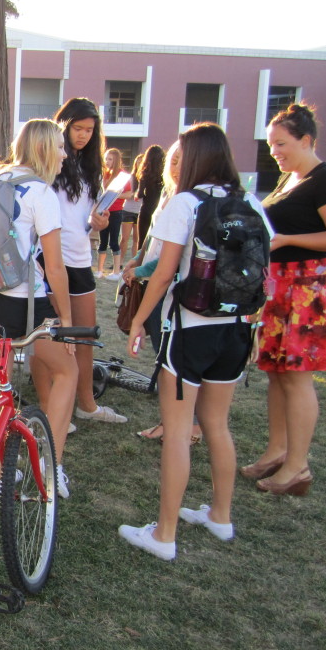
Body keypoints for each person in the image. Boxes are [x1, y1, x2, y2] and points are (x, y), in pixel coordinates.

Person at [120, 123, 271, 561]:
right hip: (236, 330)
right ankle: (220, 516)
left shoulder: (185, 203)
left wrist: (138, 321)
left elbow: (163, 272)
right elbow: (263, 271)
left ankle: (164, 534)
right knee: (218, 425)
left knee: (179, 432)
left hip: (189, 331)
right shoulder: (252, 205)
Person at [241, 103, 326, 495]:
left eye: (282, 144)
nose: (275, 152)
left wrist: (286, 240)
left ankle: (298, 467)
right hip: (279, 287)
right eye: (270, 145)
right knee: (276, 372)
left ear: (307, 140)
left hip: (307, 289)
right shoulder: (291, 180)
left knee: (298, 377)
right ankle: (278, 451)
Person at [0, 119, 76, 498]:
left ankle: (0, 475)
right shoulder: (40, 193)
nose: (65, 154)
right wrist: (65, 319)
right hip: (23, 302)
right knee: (68, 372)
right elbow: (56, 266)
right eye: (60, 147)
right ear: (45, 149)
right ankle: (53, 463)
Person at [51, 97, 127, 426]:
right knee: (52, 335)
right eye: (77, 128)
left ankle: (86, 402)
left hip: (80, 256)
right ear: (63, 126)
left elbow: (92, 214)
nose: (83, 135)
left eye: (90, 130)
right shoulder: (50, 159)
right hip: (49, 258)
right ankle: (54, 406)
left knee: (84, 336)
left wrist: (101, 220)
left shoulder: (91, 166)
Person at [124, 141, 202, 444]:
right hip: (155, 286)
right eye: (174, 160)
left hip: (171, 291)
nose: (177, 166)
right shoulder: (171, 195)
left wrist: (141, 271)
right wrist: (137, 258)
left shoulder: (190, 201)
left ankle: (185, 425)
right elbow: (154, 238)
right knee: (163, 356)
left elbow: (174, 254)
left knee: (171, 362)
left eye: (185, 160)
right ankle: (178, 422)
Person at [96, 148, 132, 280]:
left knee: (114, 242)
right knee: (102, 241)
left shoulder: (122, 175)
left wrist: (115, 195)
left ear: (116, 160)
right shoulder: (104, 174)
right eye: (106, 158)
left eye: (110, 159)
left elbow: (129, 194)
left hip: (116, 211)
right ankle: (99, 270)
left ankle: (116, 271)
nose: (107, 161)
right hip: (103, 210)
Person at [136, 144, 166, 248]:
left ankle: (139, 263)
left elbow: (139, 194)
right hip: (160, 211)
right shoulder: (165, 175)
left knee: (142, 243)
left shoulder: (144, 173)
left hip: (146, 210)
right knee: (156, 244)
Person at [119, 152, 144, 263]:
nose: (140, 165)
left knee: (137, 239)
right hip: (128, 209)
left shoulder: (148, 178)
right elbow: (124, 193)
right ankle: (119, 262)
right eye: (138, 162)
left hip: (140, 211)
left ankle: (134, 262)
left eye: (142, 162)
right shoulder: (130, 178)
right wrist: (131, 194)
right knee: (124, 238)